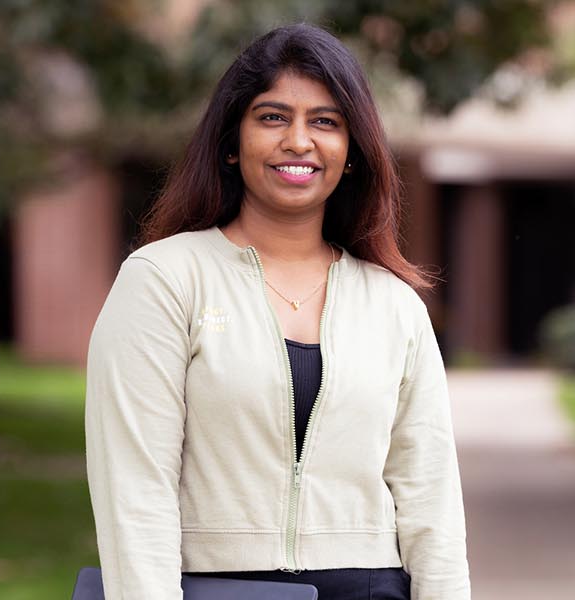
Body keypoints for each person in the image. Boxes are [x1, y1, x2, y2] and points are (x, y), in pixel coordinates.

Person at [84, 24, 469, 600]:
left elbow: (430, 501)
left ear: (352, 153)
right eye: (272, 117)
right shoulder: (165, 280)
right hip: (219, 587)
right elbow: (135, 489)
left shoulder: (394, 306)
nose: (298, 141)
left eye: (325, 121)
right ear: (232, 144)